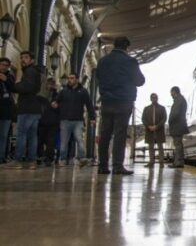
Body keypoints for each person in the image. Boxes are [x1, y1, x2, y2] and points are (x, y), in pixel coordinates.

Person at [96, 36, 145, 175]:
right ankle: (117, 166)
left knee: (105, 134)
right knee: (119, 134)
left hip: (106, 102)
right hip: (123, 102)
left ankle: (103, 166)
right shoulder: (130, 61)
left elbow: (98, 76)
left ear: (114, 45)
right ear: (127, 47)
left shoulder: (103, 61)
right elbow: (140, 80)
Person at [5, 51, 42, 170]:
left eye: (26, 58)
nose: (22, 60)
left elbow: (27, 87)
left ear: (31, 60)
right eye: (21, 58)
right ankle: (32, 161)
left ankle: (17, 160)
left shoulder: (30, 72)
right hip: (34, 109)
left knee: (21, 134)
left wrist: (13, 84)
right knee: (32, 136)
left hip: (27, 108)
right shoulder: (33, 71)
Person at [52, 73, 95, 167]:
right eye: (69, 78)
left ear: (77, 79)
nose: (69, 80)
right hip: (65, 120)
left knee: (79, 139)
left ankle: (82, 158)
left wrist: (92, 117)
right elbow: (56, 101)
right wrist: (54, 103)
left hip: (77, 120)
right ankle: (62, 159)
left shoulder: (83, 91)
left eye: (72, 78)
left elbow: (89, 105)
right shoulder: (64, 91)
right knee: (64, 141)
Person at [38, 78, 60, 166]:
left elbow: (60, 108)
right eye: (49, 83)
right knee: (40, 140)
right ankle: (40, 156)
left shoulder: (57, 96)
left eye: (52, 84)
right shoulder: (41, 95)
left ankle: (49, 158)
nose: (50, 85)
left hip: (52, 122)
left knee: (50, 141)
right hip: (42, 120)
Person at [142, 93, 166, 168]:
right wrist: (148, 126)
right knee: (150, 146)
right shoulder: (146, 108)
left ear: (157, 98)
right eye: (152, 98)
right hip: (149, 130)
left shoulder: (162, 108)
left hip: (159, 130)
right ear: (150, 99)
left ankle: (161, 162)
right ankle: (151, 162)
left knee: (160, 146)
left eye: (155, 97)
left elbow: (164, 119)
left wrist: (157, 126)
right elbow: (143, 119)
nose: (154, 99)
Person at [168, 86, 189, 169]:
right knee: (178, 144)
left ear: (174, 92)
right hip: (178, 125)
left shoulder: (179, 100)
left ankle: (178, 162)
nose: (171, 94)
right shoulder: (180, 99)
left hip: (177, 125)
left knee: (178, 144)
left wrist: (170, 120)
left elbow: (175, 113)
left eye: (171, 92)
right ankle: (177, 162)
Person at [0, 57, 16, 163]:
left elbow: (13, 88)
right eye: (2, 64)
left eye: (6, 65)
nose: (4, 67)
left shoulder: (10, 77)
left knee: (4, 135)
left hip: (6, 111)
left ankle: (1, 157)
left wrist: (6, 79)